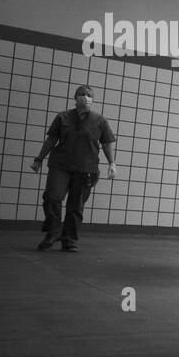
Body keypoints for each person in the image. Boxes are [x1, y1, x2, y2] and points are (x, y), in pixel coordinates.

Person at [30, 84, 117, 252]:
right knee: (52, 197)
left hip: (86, 168)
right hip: (60, 165)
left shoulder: (100, 121)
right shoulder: (62, 117)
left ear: (92, 100)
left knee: (76, 206)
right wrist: (39, 159)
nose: (84, 96)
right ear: (75, 97)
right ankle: (54, 231)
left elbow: (107, 143)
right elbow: (51, 140)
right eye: (81, 94)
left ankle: (68, 240)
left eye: (88, 94)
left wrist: (112, 163)